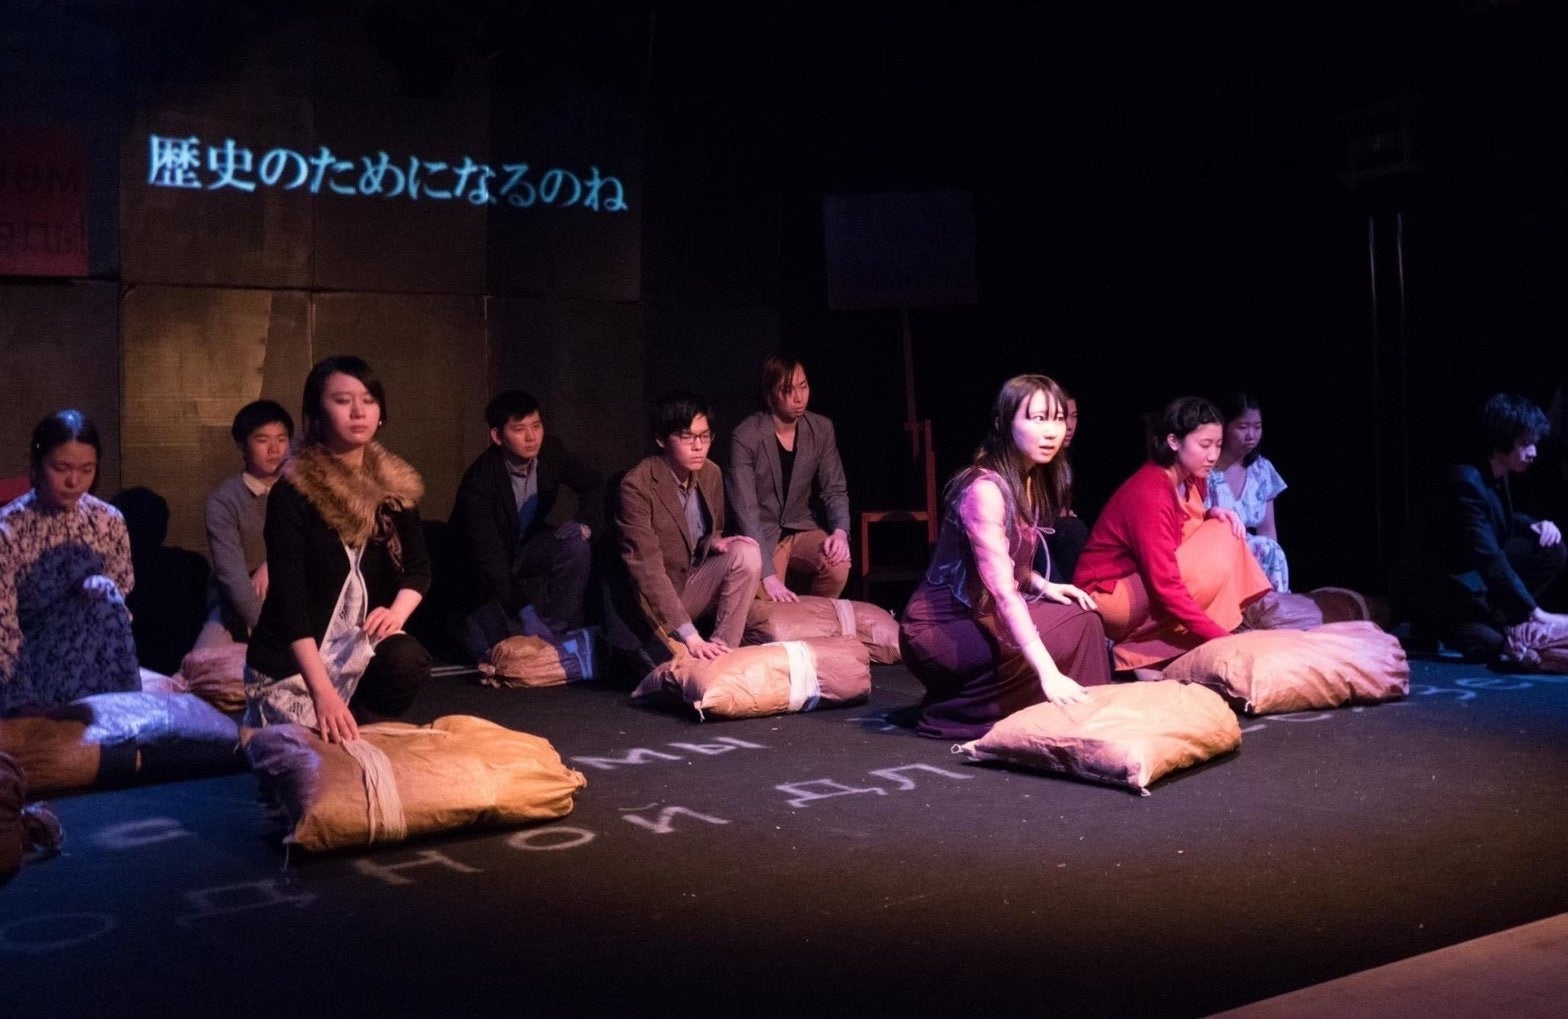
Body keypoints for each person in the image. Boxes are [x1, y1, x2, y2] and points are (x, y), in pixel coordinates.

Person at [899, 374, 1112, 740]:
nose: (1051, 432)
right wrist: (1047, 673)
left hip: (979, 616)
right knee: (1075, 627)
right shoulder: (984, 489)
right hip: (939, 631)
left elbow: (1015, 567)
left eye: (1058, 419)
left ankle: (1075, 714)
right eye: (1037, 418)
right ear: (1003, 422)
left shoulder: (1028, 480)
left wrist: (1046, 585)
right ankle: (959, 712)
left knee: (1083, 617)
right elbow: (1001, 590)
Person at [244, 356, 432, 743]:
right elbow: (290, 604)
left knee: (406, 659)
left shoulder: (394, 488)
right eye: (343, 401)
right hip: (295, 663)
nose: (358, 411)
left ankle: (362, 724)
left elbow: (419, 570)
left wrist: (395, 613)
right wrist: (323, 694)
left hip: (355, 648)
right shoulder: (294, 491)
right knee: (303, 756)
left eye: (368, 400)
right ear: (317, 413)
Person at [1073, 395, 1272, 673]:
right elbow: (1165, 582)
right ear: (1174, 442)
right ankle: (1131, 653)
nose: (1213, 455)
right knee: (1205, 565)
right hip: (1109, 597)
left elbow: (1183, 528)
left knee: (1226, 527)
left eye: (1218, 445)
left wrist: (1210, 513)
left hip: (1139, 585)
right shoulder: (1151, 492)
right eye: (1204, 445)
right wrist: (1219, 638)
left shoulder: (1192, 479)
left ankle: (1153, 650)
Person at [1406, 392, 1568, 663]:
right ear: (1500, 440)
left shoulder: (1497, 471)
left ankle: (1506, 620)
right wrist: (1534, 612)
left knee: (1550, 548)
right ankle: (1443, 624)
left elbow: (1500, 517)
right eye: (1525, 443)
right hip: (1447, 587)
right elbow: (1487, 555)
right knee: (1490, 643)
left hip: (1476, 580)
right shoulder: (1466, 480)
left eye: (1534, 443)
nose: (1533, 452)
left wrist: (1535, 525)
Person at [0, 410, 140, 714]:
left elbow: (118, 601)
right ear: (38, 464)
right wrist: (21, 702)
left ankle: (125, 707)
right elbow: (4, 629)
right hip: (30, 660)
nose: (74, 481)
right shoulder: (8, 530)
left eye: (86, 469)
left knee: (102, 591)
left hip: (95, 652)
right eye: (61, 468)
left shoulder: (108, 521)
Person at [610, 391, 761, 670]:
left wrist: (713, 542)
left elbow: (710, 528)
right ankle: (685, 645)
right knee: (667, 668)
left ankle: (723, 651)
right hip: (655, 600)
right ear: (661, 439)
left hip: (691, 582)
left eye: (704, 436)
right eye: (687, 437)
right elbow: (647, 568)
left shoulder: (710, 473)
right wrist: (691, 636)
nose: (698, 446)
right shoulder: (637, 486)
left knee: (747, 551)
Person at [450, 390, 604, 663]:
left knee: (574, 545)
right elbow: (489, 560)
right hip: (478, 569)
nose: (532, 437)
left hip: (524, 545)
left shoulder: (550, 452)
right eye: (519, 429)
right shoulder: (480, 481)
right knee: (493, 653)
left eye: (536, 426)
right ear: (497, 436)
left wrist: (586, 524)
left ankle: (556, 632)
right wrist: (527, 612)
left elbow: (592, 483)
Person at [726, 354, 852, 602]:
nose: (799, 397)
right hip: (761, 536)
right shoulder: (746, 437)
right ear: (769, 395)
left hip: (801, 527)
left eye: (803, 386)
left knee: (838, 563)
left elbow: (835, 488)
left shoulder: (821, 429)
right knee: (769, 604)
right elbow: (746, 510)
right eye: (787, 390)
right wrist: (767, 574)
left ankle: (817, 619)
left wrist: (840, 532)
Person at [196, 399, 293, 647]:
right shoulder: (225, 499)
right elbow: (234, 580)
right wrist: (271, 633)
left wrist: (272, 564)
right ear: (242, 445)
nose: (274, 449)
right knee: (205, 659)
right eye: (262, 440)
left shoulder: (300, 490)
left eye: (281, 439)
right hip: (237, 606)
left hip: (293, 597)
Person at [1206, 393, 1289, 592]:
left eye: (1257, 427)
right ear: (1224, 427)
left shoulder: (1262, 469)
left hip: (1252, 554)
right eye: (1242, 427)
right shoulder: (1205, 468)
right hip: (1214, 549)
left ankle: (1276, 603)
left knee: (1269, 549)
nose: (1251, 435)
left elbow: (1268, 530)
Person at [1042, 386, 1089, 583]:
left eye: (1074, 417)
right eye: (1062, 417)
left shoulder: (1063, 458)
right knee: (1072, 530)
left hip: (1056, 529)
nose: (1070, 425)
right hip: (1036, 533)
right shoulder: (1039, 456)